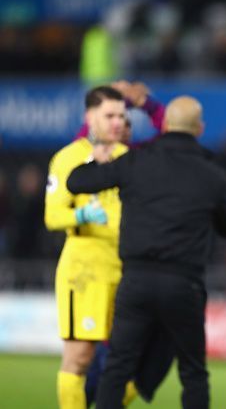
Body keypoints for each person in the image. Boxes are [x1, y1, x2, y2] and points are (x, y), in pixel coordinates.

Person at [67, 95, 226, 409]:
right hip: (184, 285)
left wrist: (97, 156)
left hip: (136, 281)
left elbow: (76, 182)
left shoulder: (136, 160)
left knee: (117, 367)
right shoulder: (212, 175)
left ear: (166, 126)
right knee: (193, 372)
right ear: (199, 129)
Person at [45, 86, 128, 409]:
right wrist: (81, 214)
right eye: (109, 115)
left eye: (121, 115)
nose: (117, 122)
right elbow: (52, 216)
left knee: (134, 359)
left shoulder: (128, 159)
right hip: (84, 271)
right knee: (79, 357)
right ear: (89, 117)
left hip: (124, 270)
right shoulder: (69, 158)